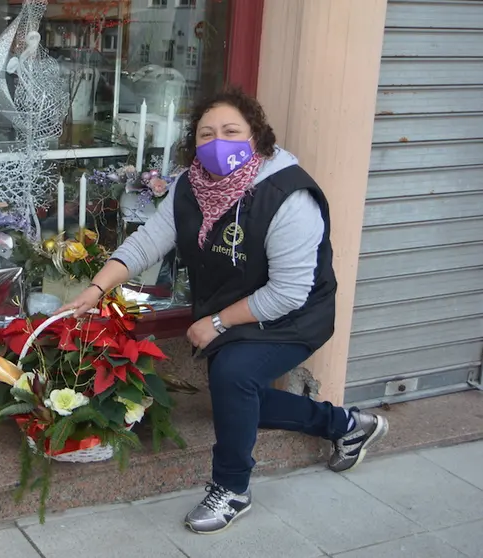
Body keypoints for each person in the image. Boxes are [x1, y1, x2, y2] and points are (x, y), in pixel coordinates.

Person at [59, 87, 389, 534]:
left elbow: (290, 291)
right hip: (236, 305)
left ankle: (232, 488)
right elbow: (148, 241)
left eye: (231, 131)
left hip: (293, 315)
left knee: (233, 377)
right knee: (234, 394)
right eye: (206, 134)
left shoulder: (287, 195)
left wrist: (216, 322)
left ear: (256, 136)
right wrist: (96, 288)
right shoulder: (189, 185)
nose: (217, 143)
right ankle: (347, 424)